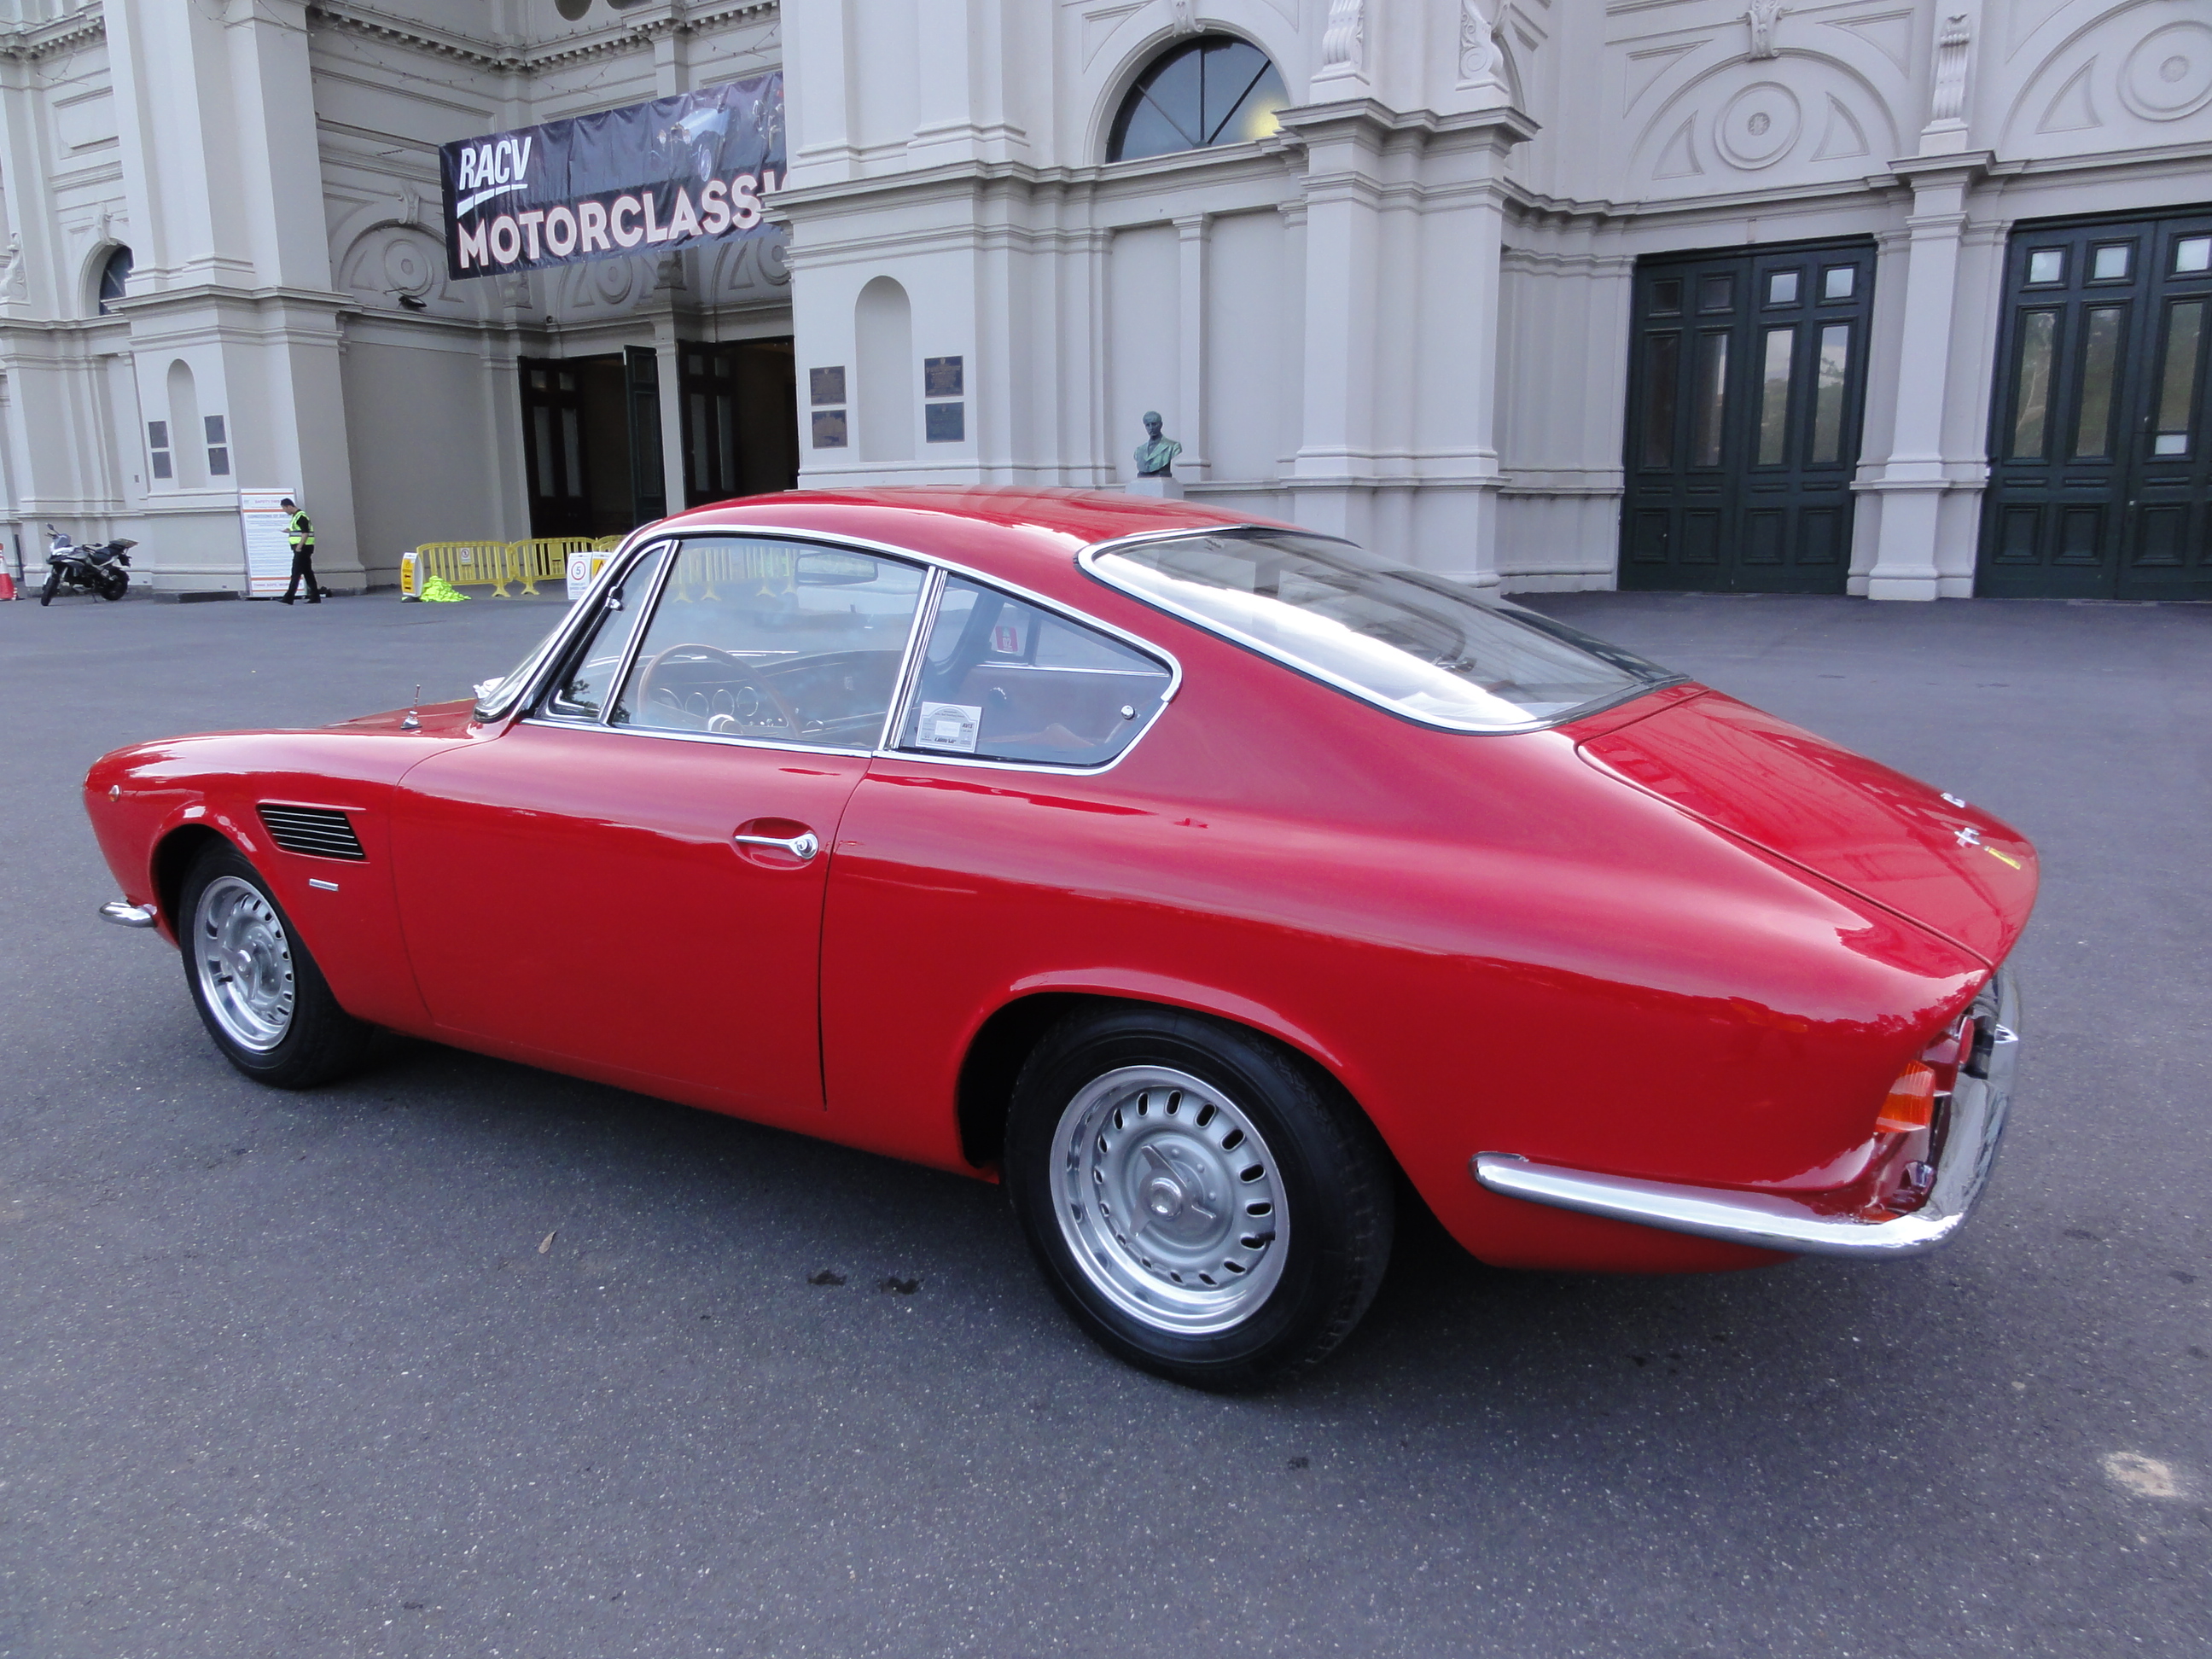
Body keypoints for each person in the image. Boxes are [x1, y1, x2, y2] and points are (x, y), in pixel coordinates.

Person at [279, 498, 319, 604]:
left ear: (289, 506)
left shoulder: (301, 516)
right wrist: (290, 531)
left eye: (284, 509)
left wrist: (299, 547)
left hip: (303, 549)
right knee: (307, 573)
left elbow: (305, 533)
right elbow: (300, 531)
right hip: (305, 548)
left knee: (296, 572)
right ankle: (315, 596)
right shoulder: (297, 516)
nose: (285, 511)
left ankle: (289, 597)